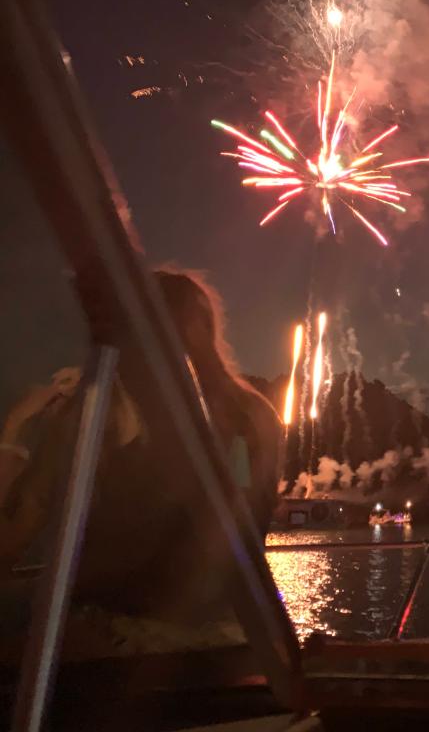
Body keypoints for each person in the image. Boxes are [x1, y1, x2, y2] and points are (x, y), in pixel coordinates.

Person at [0, 267, 281, 623]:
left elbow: (10, 542)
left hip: (112, 641)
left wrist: (14, 431)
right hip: (233, 636)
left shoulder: (100, 413)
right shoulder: (258, 415)